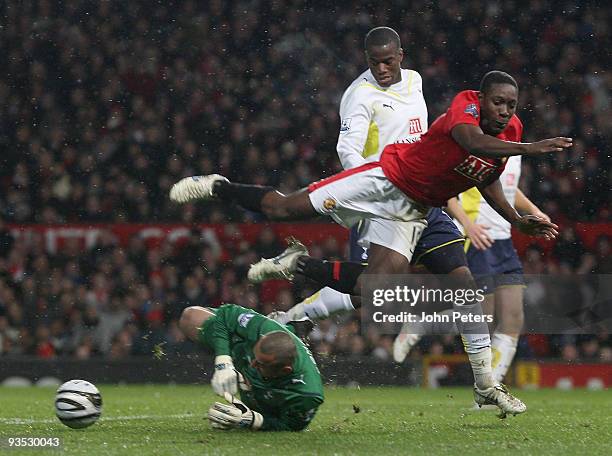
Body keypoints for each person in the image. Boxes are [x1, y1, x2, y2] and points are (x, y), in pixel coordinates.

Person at [170, 70, 572, 415]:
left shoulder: (510, 131)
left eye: (512, 105)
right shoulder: (465, 107)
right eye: (499, 103)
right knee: (283, 208)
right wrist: (530, 149)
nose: (505, 111)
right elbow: (470, 142)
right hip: (385, 181)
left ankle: (485, 385)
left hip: (418, 210)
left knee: (394, 292)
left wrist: (517, 219)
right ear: (483, 99)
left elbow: (485, 176)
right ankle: (218, 186)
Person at [248, 26, 465, 328]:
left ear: (401, 56)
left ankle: (485, 375)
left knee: (453, 282)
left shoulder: (415, 81)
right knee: (370, 291)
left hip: (418, 198)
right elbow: (348, 150)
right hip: (379, 200)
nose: (381, 68)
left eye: (388, 61)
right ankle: (292, 309)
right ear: (366, 58)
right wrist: (372, 190)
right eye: (374, 62)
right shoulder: (359, 95)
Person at [393, 154, 549, 386]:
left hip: (503, 241)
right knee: (482, 318)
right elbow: (448, 193)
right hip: (477, 239)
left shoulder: (514, 149)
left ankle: (489, 389)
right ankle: (422, 324)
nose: (506, 116)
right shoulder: (476, 143)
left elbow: (507, 188)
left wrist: (534, 211)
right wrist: (468, 224)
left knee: (513, 319)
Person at [179, 303, 324, 431]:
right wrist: (224, 362)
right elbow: (225, 314)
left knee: (266, 403)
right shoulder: (263, 328)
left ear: (285, 370)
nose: (253, 364)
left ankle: (293, 329)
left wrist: (254, 420)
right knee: (190, 318)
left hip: (275, 390)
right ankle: (288, 327)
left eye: (260, 363)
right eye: (255, 358)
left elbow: (291, 425)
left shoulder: (308, 394)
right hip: (249, 345)